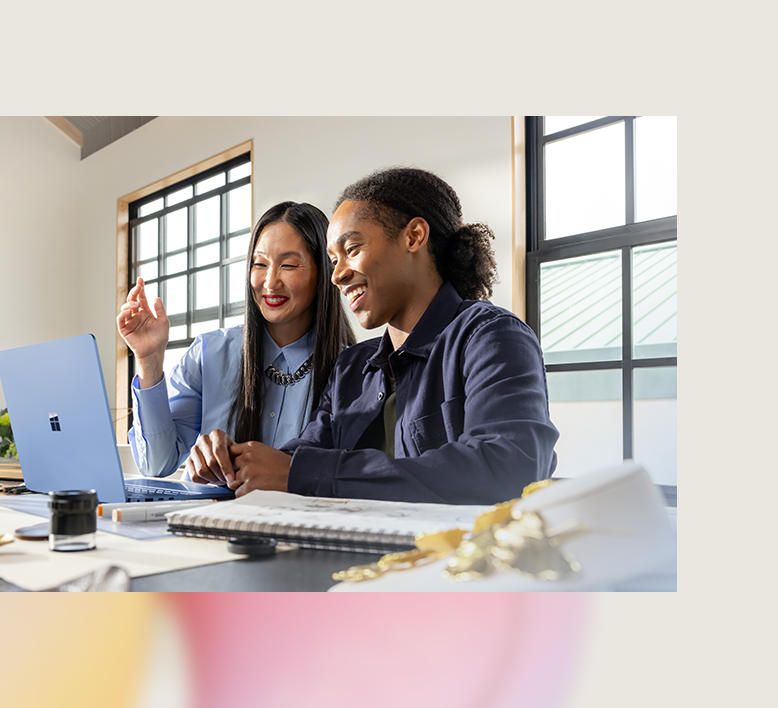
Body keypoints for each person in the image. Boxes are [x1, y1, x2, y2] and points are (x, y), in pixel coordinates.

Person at [223, 168, 559, 505]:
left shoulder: (490, 337)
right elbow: (299, 458)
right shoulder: (351, 367)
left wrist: (310, 473)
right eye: (333, 260)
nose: (338, 275)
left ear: (413, 236)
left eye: (352, 249)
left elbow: (510, 468)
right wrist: (234, 462)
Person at [117, 201, 356, 483]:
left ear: (324, 273)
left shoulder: (350, 372)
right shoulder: (208, 354)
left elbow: (342, 479)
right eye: (260, 264)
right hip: (204, 520)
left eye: (288, 265)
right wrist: (149, 360)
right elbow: (157, 464)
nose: (270, 282)